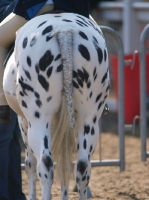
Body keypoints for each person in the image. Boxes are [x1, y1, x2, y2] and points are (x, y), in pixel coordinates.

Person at [0, 0, 90, 124]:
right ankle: (100, 96)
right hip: (76, 7)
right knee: (98, 35)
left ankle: (3, 104)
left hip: (39, 5)